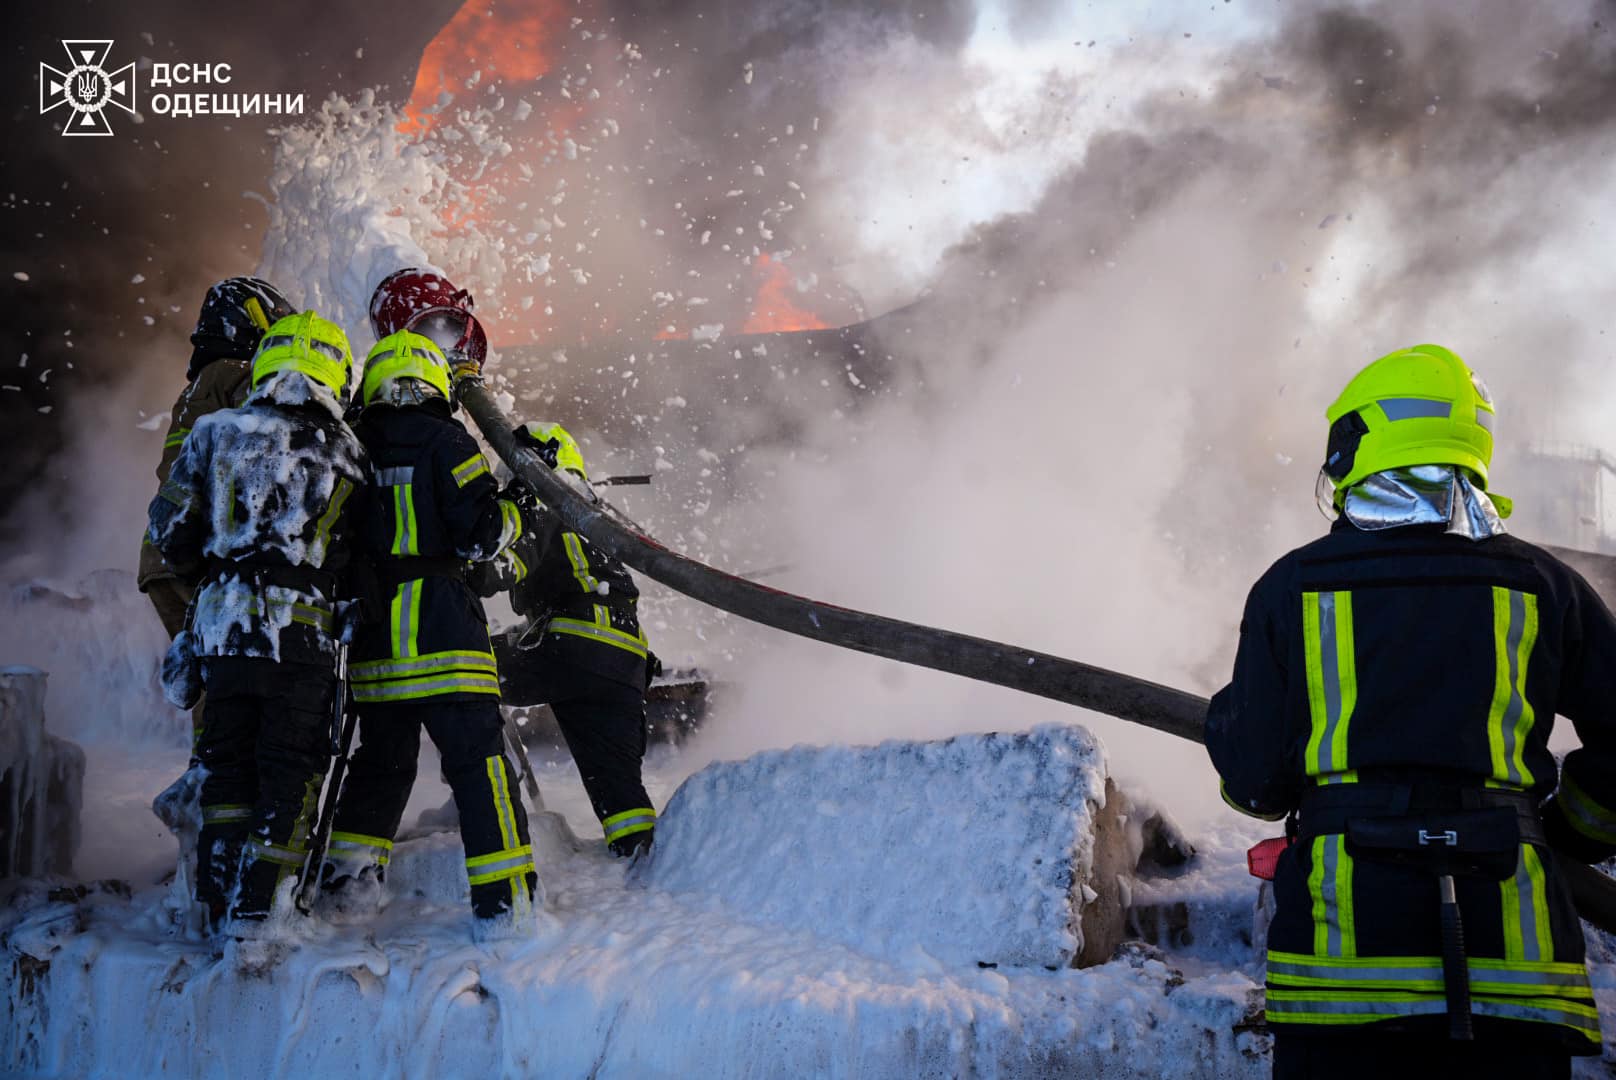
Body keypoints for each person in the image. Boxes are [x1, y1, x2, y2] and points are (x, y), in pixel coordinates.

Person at [1206, 344, 1613, 1079]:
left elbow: (1256, 781)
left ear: (1355, 448)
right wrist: (1560, 834)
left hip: (1344, 980)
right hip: (1515, 978)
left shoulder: (1294, 586)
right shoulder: (1545, 585)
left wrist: (1228, 723)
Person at [320, 306, 538, 932]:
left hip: (377, 648)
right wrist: (519, 502)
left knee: (381, 766)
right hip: (444, 638)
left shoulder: (350, 447)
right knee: (478, 766)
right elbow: (481, 534)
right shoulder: (450, 441)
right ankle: (508, 907)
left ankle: (345, 894)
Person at [146, 310, 366, 929]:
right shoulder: (348, 452)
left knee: (227, 769)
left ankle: (215, 908)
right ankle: (261, 918)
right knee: (289, 771)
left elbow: (169, 531)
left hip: (223, 630)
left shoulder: (214, 433)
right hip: (303, 637)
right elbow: (355, 557)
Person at [473, 421, 659, 858]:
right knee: (617, 788)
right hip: (626, 657)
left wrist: (458, 567)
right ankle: (640, 859)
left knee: (462, 670)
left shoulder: (544, 496)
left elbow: (503, 569)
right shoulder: (592, 512)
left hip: (574, 644)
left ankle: (481, 793)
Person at [141, 277, 297, 750]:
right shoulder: (237, 375)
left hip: (169, 554)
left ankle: (212, 791)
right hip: (196, 557)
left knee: (216, 679)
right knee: (228, 686)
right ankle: (216, 796)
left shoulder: (200, 386)